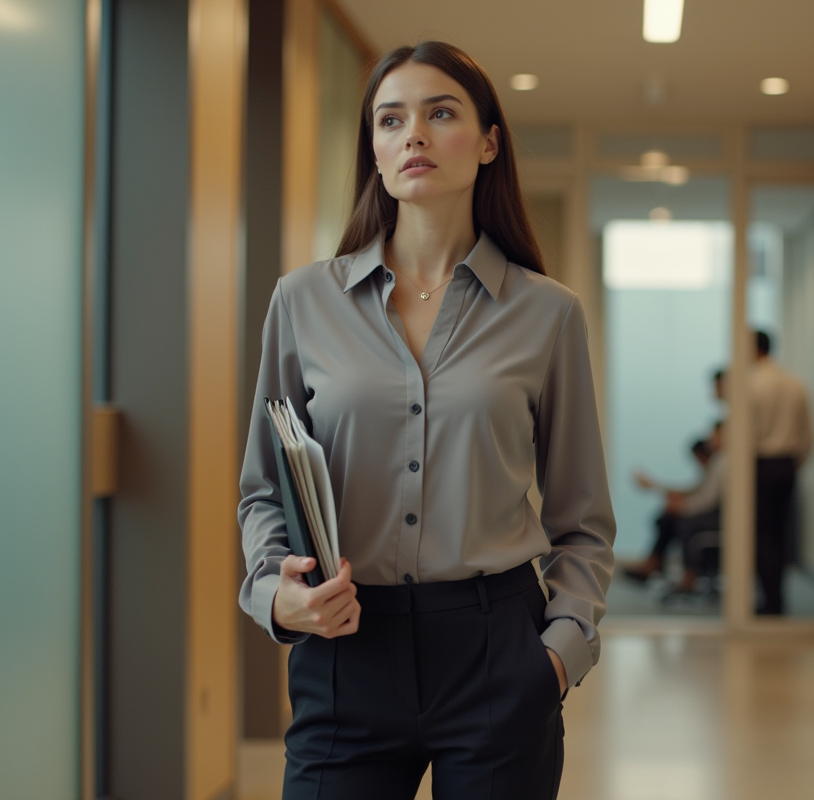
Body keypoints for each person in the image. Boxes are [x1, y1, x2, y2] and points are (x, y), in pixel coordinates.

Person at [237, 42, 615, 799]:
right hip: (345, 653)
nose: (413, 134)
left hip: (496, 650)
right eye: (391, 119)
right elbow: (263, 493)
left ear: (486, 142)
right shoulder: (303, 302)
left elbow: (583, 522)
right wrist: (274, 596)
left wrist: (558, 656)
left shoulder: (547, 315)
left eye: (439, 113)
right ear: (375, 152)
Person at [749, 330, 813, 615]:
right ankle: (776, 599)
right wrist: (793, 463)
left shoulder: (752, 384)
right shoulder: (795, 383)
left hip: (760, 463)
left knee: (761, 535)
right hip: (786, 465)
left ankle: (769, 602)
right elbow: (810, 435)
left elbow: (748, 434)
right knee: (780, 534)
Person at [624, 423, 724, 589]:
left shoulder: (723, 462)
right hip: (710, 511)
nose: (710, 440)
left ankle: (686, 576)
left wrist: (683, 507)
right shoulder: (719, 461)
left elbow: (708, 499)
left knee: (681, 521)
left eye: (714, 435)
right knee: (667, 517)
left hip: (717, 516)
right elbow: (696, 490)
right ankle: (655, 563)